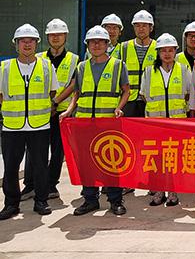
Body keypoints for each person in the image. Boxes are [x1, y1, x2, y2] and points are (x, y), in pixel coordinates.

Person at [60, 25, 130, 216]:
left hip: (108, 122)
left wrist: (119, 107)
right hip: (84, 123)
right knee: (86, 162)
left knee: (111, 162)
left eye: (100, 42)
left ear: (107, 44)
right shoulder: (81, 67)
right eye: (92, 42)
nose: (96, 45)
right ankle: (90, 199)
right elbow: (77, 93)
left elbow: (126, 90)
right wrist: (69, 110)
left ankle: (115, 200)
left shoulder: (118, 65)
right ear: (87, 45)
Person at [0, 24, 58, 220]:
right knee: (11, 167)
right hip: (12, 126)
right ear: (16, 44)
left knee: (40, 165)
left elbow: (52, 91)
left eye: (31, 41)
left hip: (39, 125)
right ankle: (11, 204)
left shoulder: (47, 66)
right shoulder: (5, 67)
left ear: (36, 44)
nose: (27, 44)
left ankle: (41, 201)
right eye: (23, 41)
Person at [21, 19, 78, 203]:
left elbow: (73, 84)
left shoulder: (74, 59)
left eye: (59, 35)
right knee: (34, 149)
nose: (55, 38)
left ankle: (51, 185)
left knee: (58, 151)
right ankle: (30, 185)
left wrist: (56, 102)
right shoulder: (38, 57)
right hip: (40, 111)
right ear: (47, 37)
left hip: (62, 112)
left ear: (65, 36)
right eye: (52, 35)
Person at [140, 33, 190, 207]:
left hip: (177, 123)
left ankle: (173, 192)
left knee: (174, 158)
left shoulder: (183, 69)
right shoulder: (149, 71)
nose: (167, 54)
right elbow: (144, 95)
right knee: (157, 159)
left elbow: (188, 93)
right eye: (163, 51)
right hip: (156, 124)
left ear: (175, 51)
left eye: (170, 50)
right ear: (158, 53)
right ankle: (159, 192)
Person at [116, 10, 157, 118]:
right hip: (128, 100)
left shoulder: (158, 47)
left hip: (150, 99)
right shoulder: (124, 47)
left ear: (151, 28)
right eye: (137, 25)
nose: (141, 29)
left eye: (144, 26)